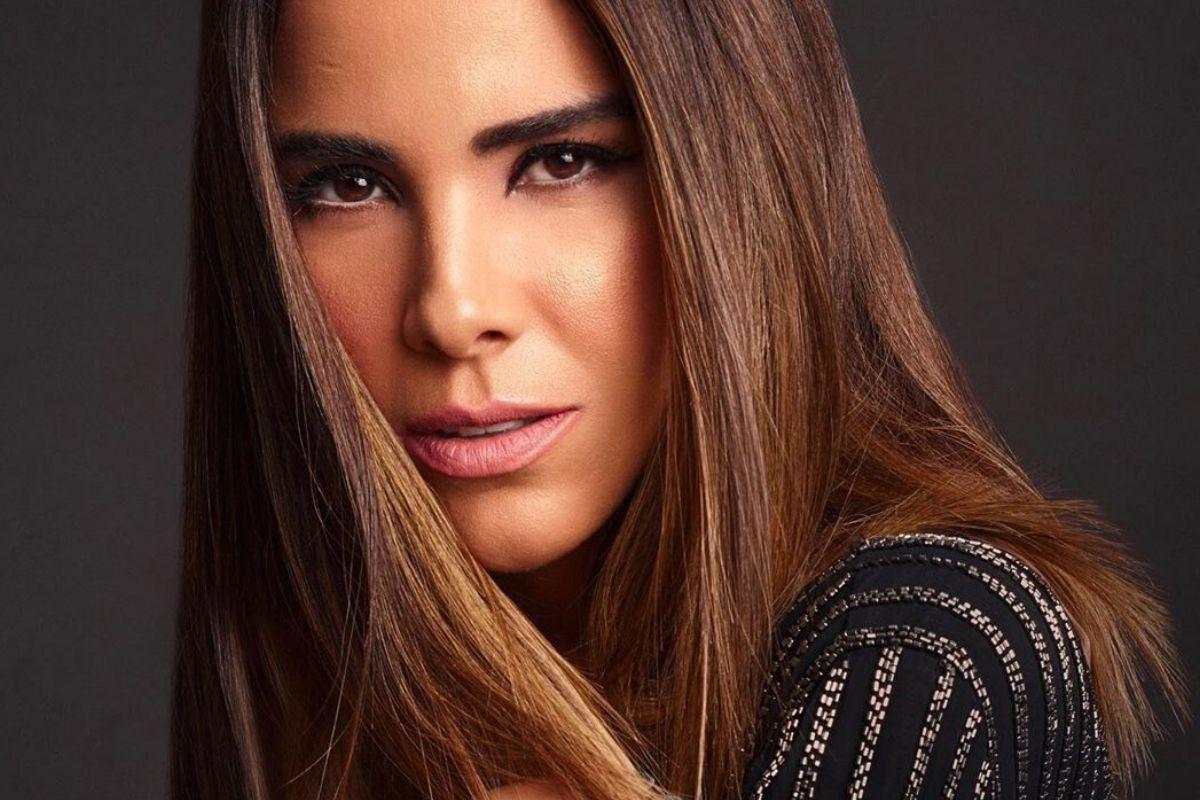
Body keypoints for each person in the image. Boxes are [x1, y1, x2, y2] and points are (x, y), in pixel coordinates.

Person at [169, 1, 1189, 798]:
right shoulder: (319, 692)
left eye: (563, 162)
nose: (451, 308)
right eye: (347, 184)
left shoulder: (921, 649)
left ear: (741, 188)